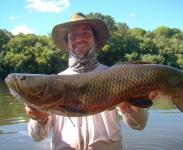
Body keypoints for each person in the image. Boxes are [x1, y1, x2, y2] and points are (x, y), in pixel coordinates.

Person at [24, 12, 157, 150]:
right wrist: (39, 118)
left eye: (86, 33)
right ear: (68, 43)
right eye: (73, 35)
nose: (79, 38)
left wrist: (131, 108)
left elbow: (139, 125)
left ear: (94, 40)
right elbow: (37, 137)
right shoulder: (52, 85)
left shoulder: (116, 76)